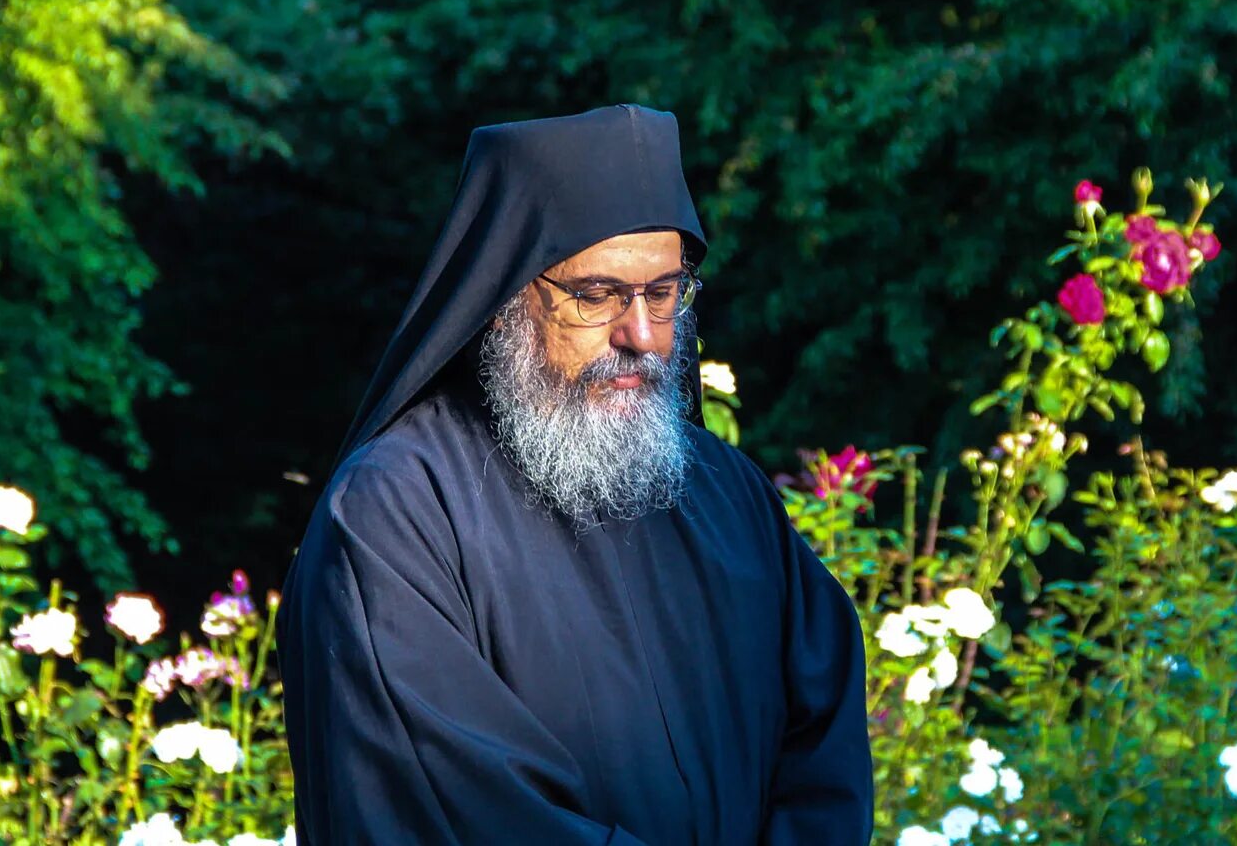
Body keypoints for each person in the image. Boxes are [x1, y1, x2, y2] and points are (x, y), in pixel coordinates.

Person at [277, 104, 873, 845]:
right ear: (500, 300)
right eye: (596, 296)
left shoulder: (730, 494)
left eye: (663, 292)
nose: (643, 336)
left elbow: (824, 752)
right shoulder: (394, 514)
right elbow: (458, 809)